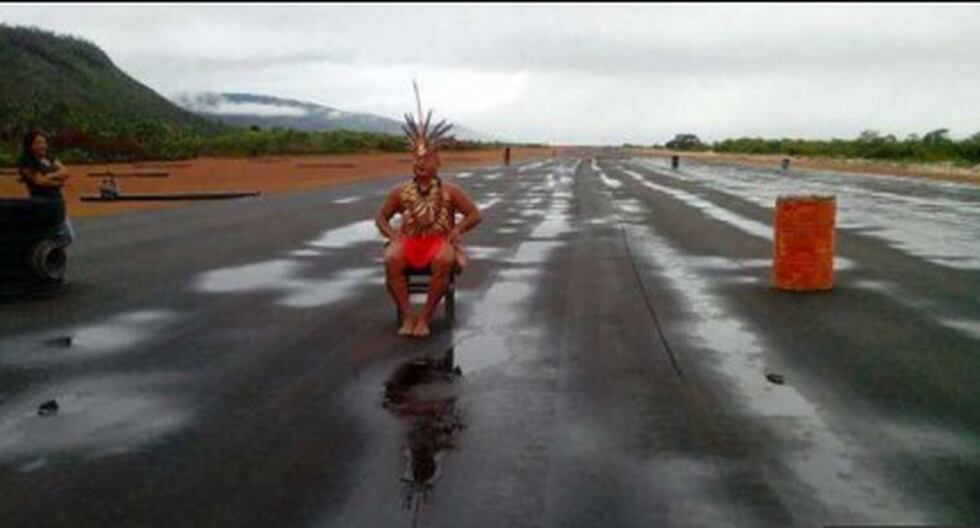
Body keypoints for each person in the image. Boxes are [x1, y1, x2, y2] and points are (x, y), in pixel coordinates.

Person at [376, 83, 482, 338]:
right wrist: (392, 235)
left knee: (444, 259)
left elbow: (475, 214)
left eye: (426, 160)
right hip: (409, 242)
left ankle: (424, 318)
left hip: (439, 243)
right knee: (391, 258)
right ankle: (408, 316)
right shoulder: (400, 191)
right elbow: (381, 217)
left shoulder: (451, 191)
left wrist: (457, 230)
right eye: (416, 160)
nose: (420, 164)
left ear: (437, 163)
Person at [17, 130, 75, 241]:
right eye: (38, 143)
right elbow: (40, 181)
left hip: (57, 201)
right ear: (30, 146)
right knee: (64, 235)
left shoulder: (50, 158)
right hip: (41, 204)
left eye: (44, 142)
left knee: (64, 235)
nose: (42, 146)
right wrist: (57, 179)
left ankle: (49, 250)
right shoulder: (27, 163)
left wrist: (49, 176)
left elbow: (65, 172)